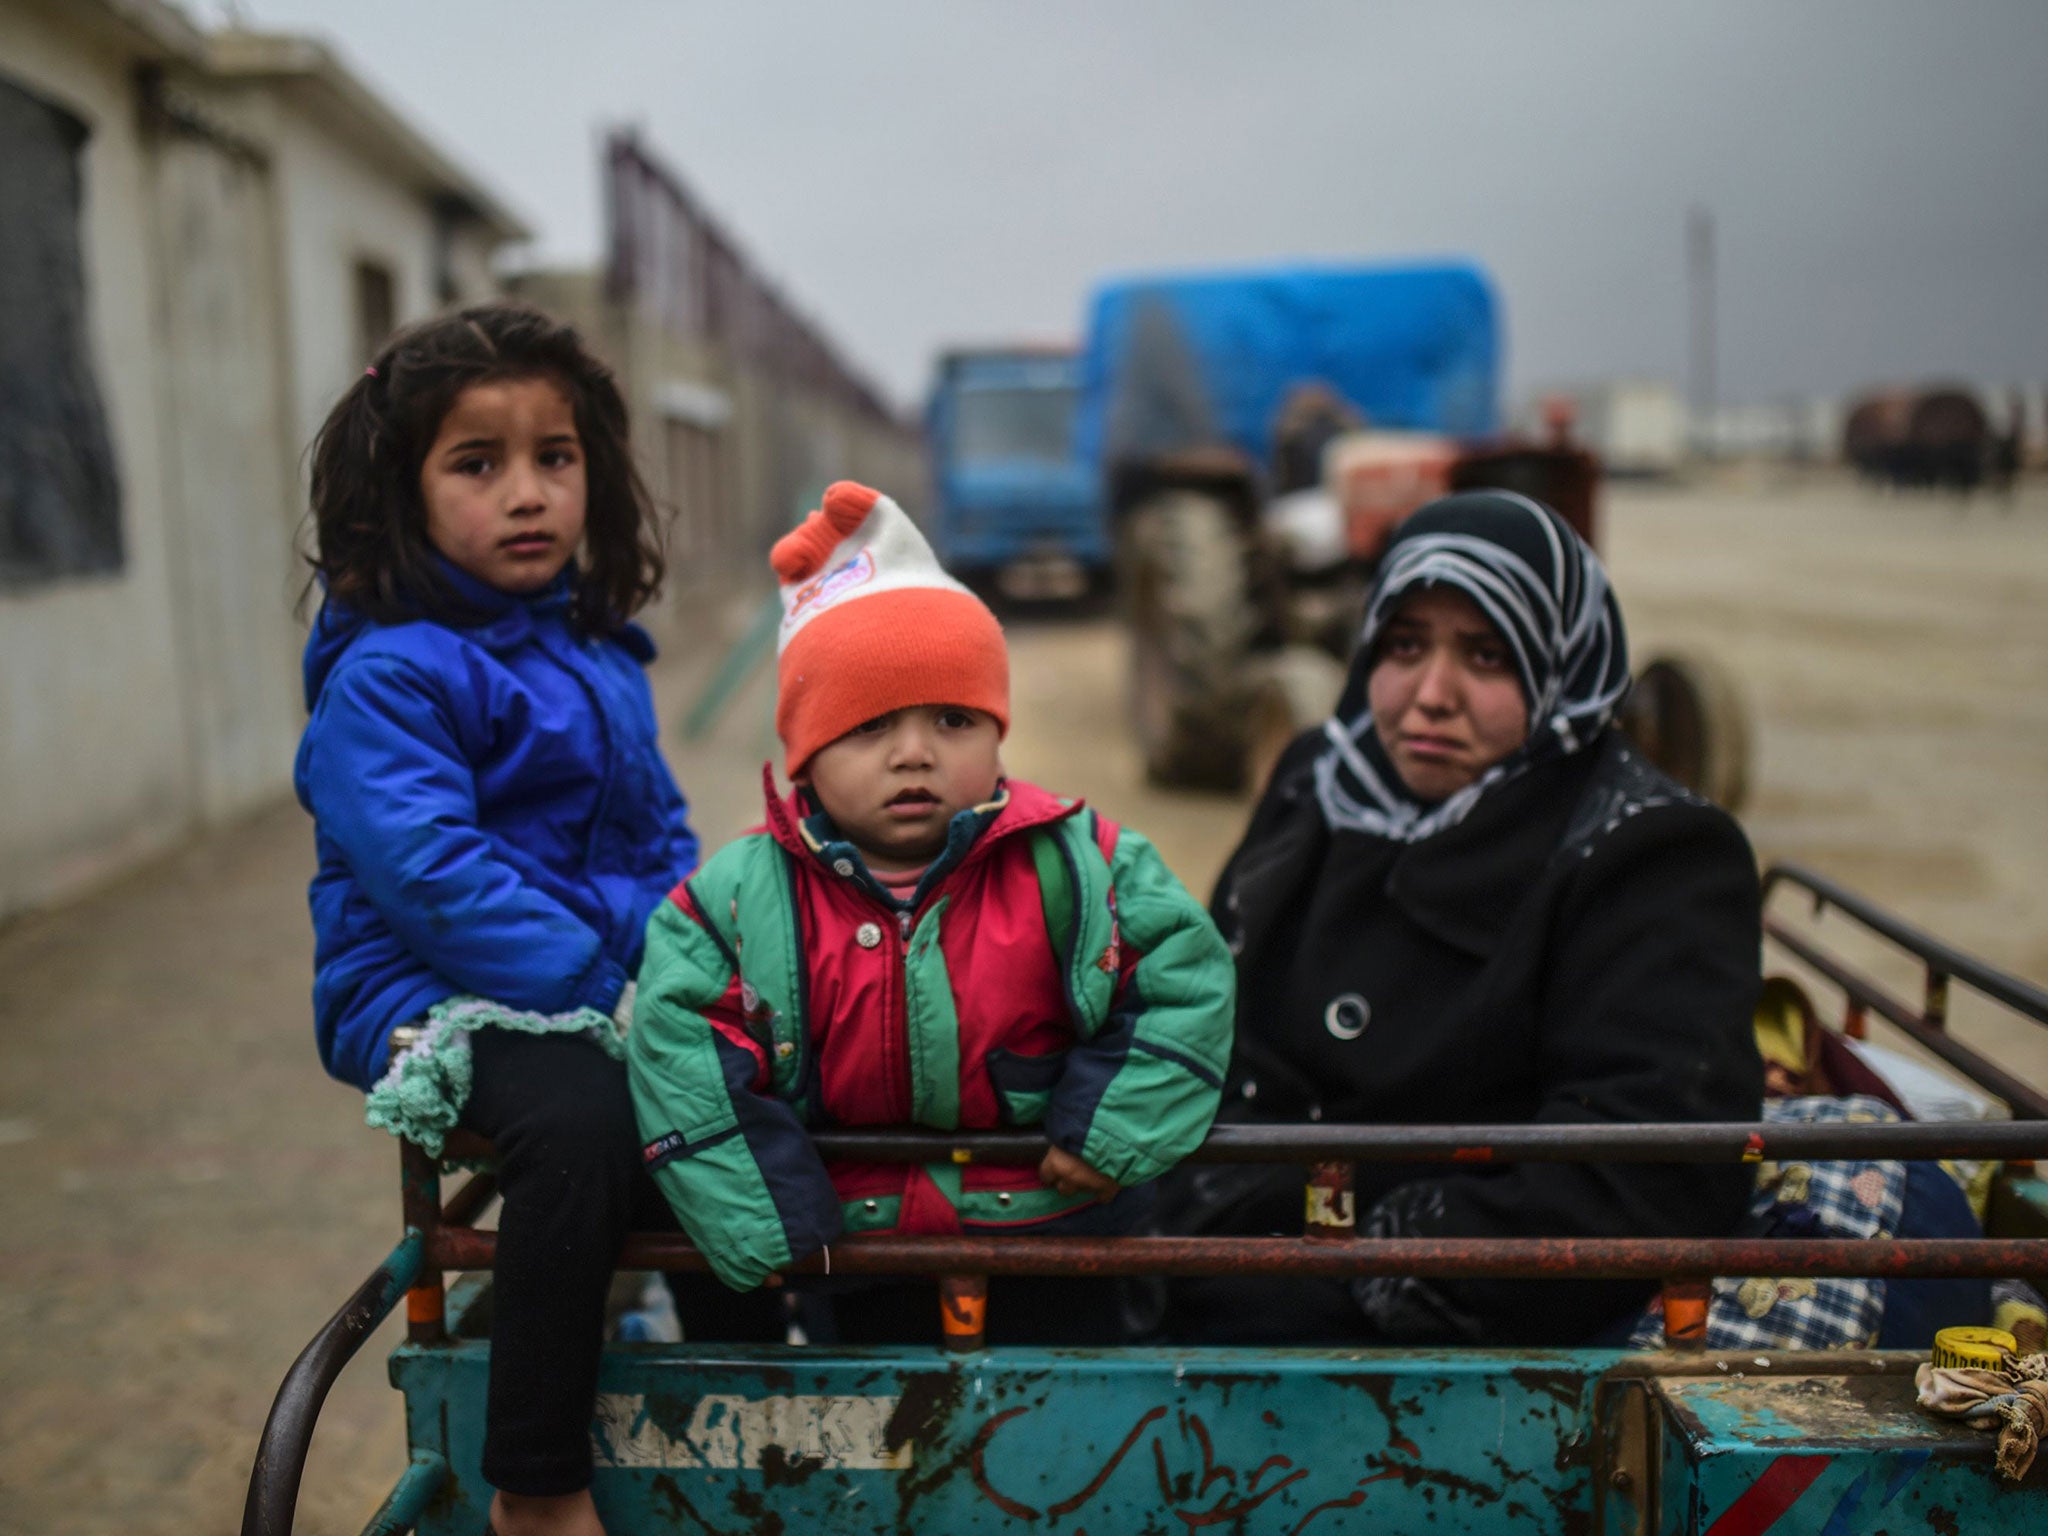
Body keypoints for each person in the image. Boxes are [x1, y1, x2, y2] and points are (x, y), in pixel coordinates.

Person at [628, 481, 1233, 1338]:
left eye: (952, 718)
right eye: (870, 726)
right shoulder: (729, 906)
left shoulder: (1084, 865)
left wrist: (1114, 1132)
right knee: (879, 1448)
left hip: (1056, 1233)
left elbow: (1187, 979)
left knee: (1070, 1447)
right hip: (853, 1253)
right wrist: (763, 1216)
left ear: (997, 733)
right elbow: (676, 1046)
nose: (914, 754)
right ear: (804, 756)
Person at [1171, 488, 1764, 1347]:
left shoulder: (1649, 854)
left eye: (1487, 657)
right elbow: (1208, 1009)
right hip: (1218, 1231)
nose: (1432, 695)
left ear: (1561, 668)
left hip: (1419, 1320)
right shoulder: (1317, 781)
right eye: (1404, 645)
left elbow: (1641, 1179)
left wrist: (1348, 1271)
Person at [295, 303, 697, 1536]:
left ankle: (757, 1364)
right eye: (478, 464)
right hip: (427, 994)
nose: (527, 494)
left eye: (554, 458)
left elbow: (659, 844)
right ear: (399, 494)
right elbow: (433, 875)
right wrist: (605, 989)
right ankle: (537, 1482)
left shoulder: (596, 655)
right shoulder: (392, 675)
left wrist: (700, 962)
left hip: (585, 981)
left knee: (749, 1073)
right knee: (579, 1124)